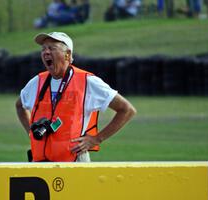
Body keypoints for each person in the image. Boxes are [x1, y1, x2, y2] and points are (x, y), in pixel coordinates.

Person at [16, 32, 136, 162]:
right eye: (43, 48)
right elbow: (19, 105)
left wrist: (96, 139)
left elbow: (127, 110)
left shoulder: (88, 81)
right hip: (41, 163)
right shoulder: (37, 81)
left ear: (67, 54)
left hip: (74, 161)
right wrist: (31, 132)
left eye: (52, 48)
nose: (46, 52)